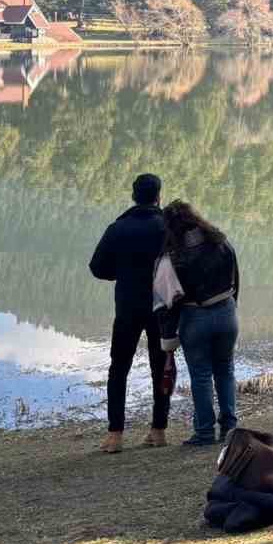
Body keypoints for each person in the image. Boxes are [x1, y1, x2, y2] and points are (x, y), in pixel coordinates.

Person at [88, 172, 170, 453]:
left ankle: (115, 435)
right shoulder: (166, 227)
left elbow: (97, 267)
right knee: (161, 367)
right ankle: (158, 430)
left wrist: (121, 273)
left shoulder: (117, 228)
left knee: (118, 368)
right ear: (159, 196)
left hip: (127, 306)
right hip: (161, 307)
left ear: (134, 196)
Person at [153, 200, 241, 448]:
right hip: (227, 312)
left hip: (195, 318)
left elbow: (165, 304)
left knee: (200, 376)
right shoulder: (221, 241)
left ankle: (204, 433)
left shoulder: (170, 259)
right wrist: (232, 308)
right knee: (226, 370)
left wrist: (168, 342)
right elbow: (236, 280)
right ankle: (230, 429)